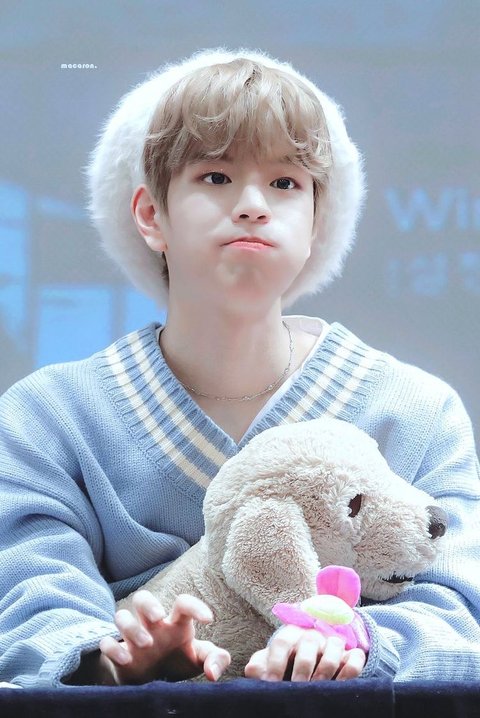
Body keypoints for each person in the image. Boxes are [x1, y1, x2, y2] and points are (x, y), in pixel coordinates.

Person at [0, 48, 479, 689]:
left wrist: (355, 643)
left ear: (317, 219)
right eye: (216, 175)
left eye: (286, 183)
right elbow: (28, 594)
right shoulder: (48, 419)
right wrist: (109, 658)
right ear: (150, 214)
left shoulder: (415, 411)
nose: (253, 204)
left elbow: (459, 608)